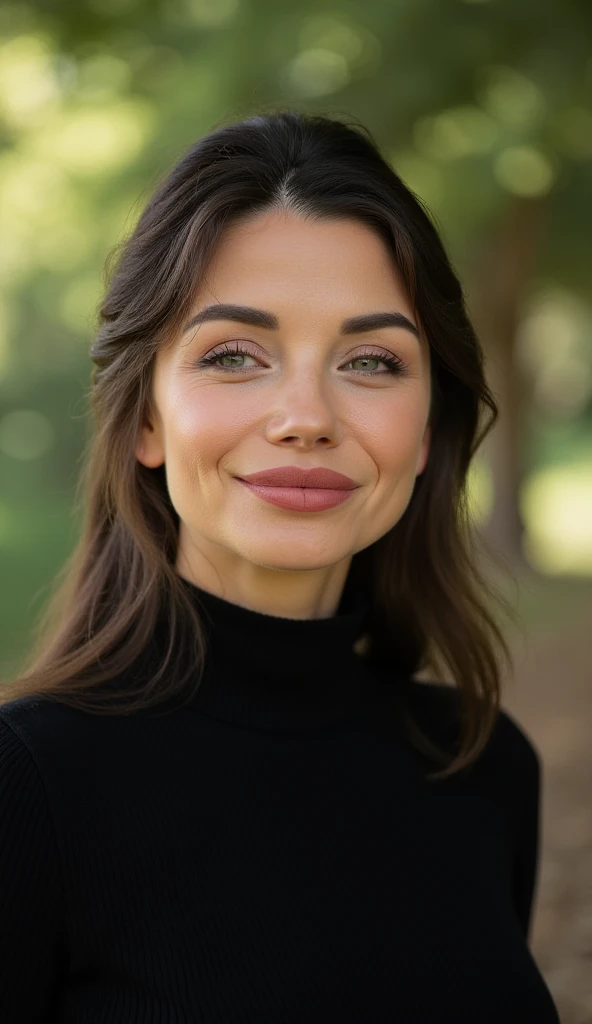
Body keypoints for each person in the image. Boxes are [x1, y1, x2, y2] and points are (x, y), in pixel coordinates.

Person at [0, 109, 560, 1022]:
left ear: (425, 433)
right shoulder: (27, 789)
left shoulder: (484, 770)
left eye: (373, 361)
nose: (307, 415)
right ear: (145, 419)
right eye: (233, 355)